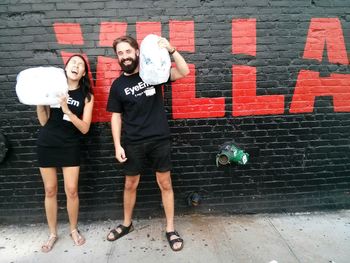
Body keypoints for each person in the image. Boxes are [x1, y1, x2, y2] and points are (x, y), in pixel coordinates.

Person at [106, 35, 190, 251]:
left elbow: (184, 71)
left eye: (127, 51)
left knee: (165, 184)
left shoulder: (153, 73)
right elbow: (115, 116)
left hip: (159, 139)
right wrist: (117, 145)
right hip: (133, 142)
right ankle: (127, 224)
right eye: (120, 53)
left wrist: (171, 50)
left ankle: (170, 229)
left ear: (136, 52)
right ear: (118, 57)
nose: (124, 56)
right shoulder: (118, 85)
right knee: (130, 184)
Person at [36, 54, 94, 252]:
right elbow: (43, 122)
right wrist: (40, 101)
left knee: (71, 190)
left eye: (80, 65)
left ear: (84, 73)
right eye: (72, 63)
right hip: (48, 143)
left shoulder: (87, 96)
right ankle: (52, 233)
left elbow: (85, 128)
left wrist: (67, 109)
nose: (76, 66)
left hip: (70, 144)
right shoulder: (53, 89)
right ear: (66, 67)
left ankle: (73, 229)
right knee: (50, 190)